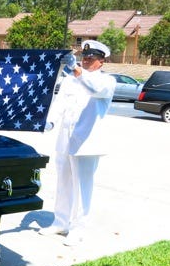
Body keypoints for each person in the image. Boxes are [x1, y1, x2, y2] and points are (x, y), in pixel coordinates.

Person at [39, 40, 116, 246]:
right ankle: (60, 222)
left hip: (87, 142)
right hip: (65, 139)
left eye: (92, 57)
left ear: (102, 60)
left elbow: (94, 88)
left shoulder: (107, 81)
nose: (87, 59)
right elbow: (60, 104)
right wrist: (50, 122)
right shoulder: (70, 80)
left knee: (82, 187)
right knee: (63, 183)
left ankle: (78, 228)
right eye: (85, 56)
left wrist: (76, 69)